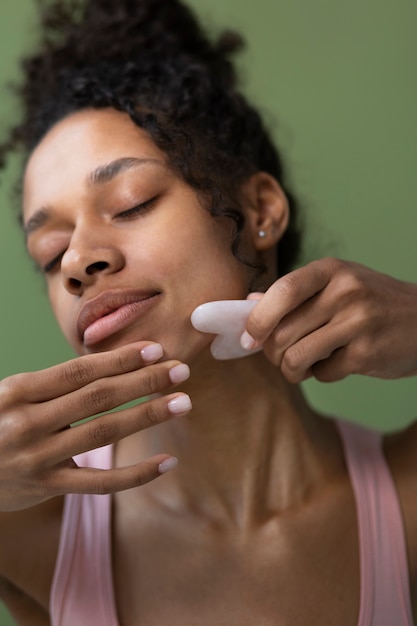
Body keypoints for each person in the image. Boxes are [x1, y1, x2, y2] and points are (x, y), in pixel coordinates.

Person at [0, 0, 416, 624]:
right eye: (50, 251)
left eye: (132, 202)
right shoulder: (34, 531)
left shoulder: (406, 501)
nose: (78, 261)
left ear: (260, 211)